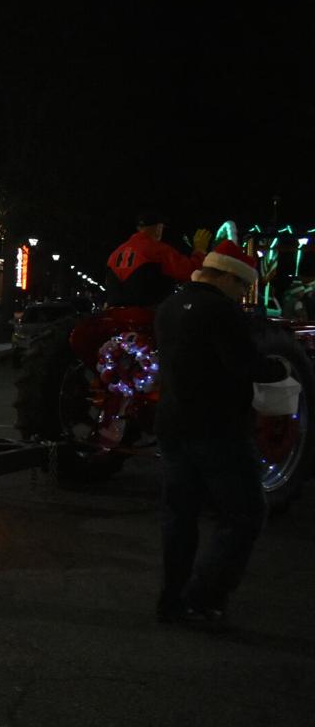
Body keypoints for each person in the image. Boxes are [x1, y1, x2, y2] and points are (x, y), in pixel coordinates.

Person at [154, 241, 268, 628]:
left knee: (179, 516)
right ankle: (204, 596)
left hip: (172, 424)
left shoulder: (168, 307)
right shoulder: (222, 311)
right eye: (241, 287)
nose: (241, 295)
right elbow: (245, 365)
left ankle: (171, 599)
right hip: (218, 428)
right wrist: (277, 369)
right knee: (244, 514)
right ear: (226, 276)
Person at [106, 209, 211, 307]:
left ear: (139, 228)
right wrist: (199, 251)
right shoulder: (157, 249)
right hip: (148, 317)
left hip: (116, 316)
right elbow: (190, 273)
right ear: (158, 228)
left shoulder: (114, 254)